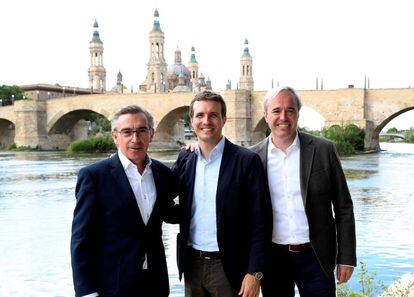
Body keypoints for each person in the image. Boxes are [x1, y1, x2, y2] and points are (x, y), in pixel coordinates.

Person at [250, 86, 357, 297]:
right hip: (272, 258)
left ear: (298, 114)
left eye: (290, 110)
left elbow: (344, 207)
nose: (283, 117)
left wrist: (346, 257)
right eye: (276, 111)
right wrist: (194, 150)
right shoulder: (251, 157)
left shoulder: (324, 150)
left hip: (316, 256)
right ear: (265, 116)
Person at [70, 105, 179, 297]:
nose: (135, 139)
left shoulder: (163, 174)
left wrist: (193, 153)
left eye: (141, 131)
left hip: (156, 285)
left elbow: (171, 213)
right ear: (115, 136)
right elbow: (82, 240)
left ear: (151, 134)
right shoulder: (94, 176)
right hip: (112, 286)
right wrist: (87, 292)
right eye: (127, 132)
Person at [172, 91, 272, 297]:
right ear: (191, 120)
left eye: (213, 115)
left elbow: (261, 220)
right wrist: (124, 162)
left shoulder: (246, 161)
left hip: (230, 267)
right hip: (191, 265)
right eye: (200, 115)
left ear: (224, 119)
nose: (206, 121)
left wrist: (255, 272)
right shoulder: (185, 159)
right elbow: (161, 195)